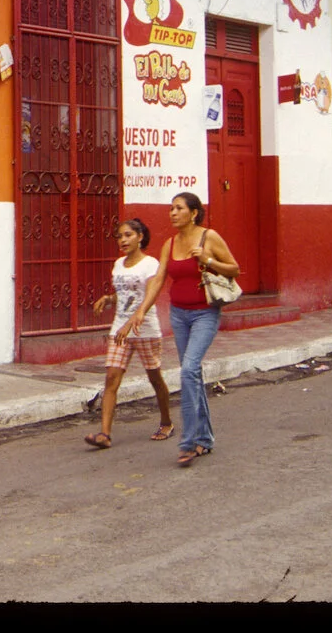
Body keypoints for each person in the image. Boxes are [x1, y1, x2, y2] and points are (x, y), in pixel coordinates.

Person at [115, 192, 240, 466]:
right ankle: (204, 439)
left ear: (194, 213)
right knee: (191, 375)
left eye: (179, 208)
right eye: (171, 208)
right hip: (179, 314)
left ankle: (188, 442)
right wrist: (140, 311)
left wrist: (207, 260)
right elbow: (158, 280)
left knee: (190, 370)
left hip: (205, 313)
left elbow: (234, 269)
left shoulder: (210, 237)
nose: (172, 213)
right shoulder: (170, 244)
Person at [84, 218, 174, 449]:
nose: (123, 240)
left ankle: (166, 422)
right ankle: (104, 434)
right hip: (120, 328)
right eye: (120, 236)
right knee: (111, 377)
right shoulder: (118, 265)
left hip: (145, 329)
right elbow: (126, 295)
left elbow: (150, 295)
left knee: (154, 378)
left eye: (128, 235)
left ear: (140, 237)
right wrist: (109, 299)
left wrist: (133, 320)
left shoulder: (150, 264)